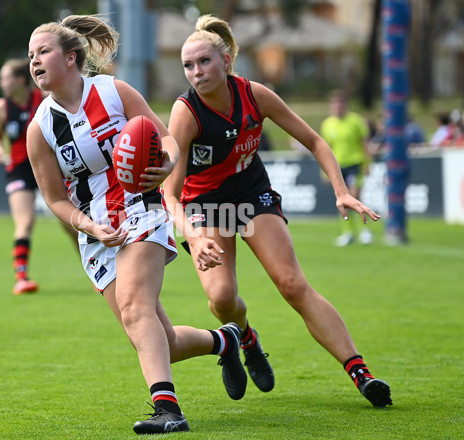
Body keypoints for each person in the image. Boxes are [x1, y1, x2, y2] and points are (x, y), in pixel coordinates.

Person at [25, 15, 249, 435]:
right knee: (157, 337)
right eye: (30, 55)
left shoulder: (113, 91)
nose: (34, 61)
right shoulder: (40, 129)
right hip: (97, 233)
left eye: (43, 51)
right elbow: (54, 198)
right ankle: (226, 340)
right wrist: (88, 227)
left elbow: (164, 138)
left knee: (134, 307)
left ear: (71, 58)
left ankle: (168, 410)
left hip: (141, 209)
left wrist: (165, 162)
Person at [163, 14, 392, 408]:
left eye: (204, 62)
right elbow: (170, 194)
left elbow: (315, 141)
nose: (196, 72)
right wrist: (194, 235)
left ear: (227, 61)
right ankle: (245, 338)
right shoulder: (186, 112)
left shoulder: (256, 95)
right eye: (188, 65)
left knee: (292, 284)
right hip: (206, 206)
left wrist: (341, 191)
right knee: (221, 299)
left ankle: (362, 374)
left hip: (252, 196)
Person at [0, 58, 79, 295]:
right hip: (19, 169)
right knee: (25, 222)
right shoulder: (0, 107)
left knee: (70, 224)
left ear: (20, 80)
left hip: (49, 165)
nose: (1, 83)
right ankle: (22, 278)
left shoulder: (43, 99)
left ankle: (95, 269)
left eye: (5, 77)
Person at [320, 90, 373, 246]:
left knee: (355, 196)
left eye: (340, 104)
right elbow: (325, 148)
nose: (338, 107)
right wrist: (324, 170)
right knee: (341, 201)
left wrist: (367, 164)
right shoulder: (327, 124)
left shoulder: (356, 121)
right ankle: (348, 233)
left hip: (355, 163)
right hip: (337, 165)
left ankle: (365, 231)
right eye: (335, 104)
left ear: (345, 105)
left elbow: (364, 144)